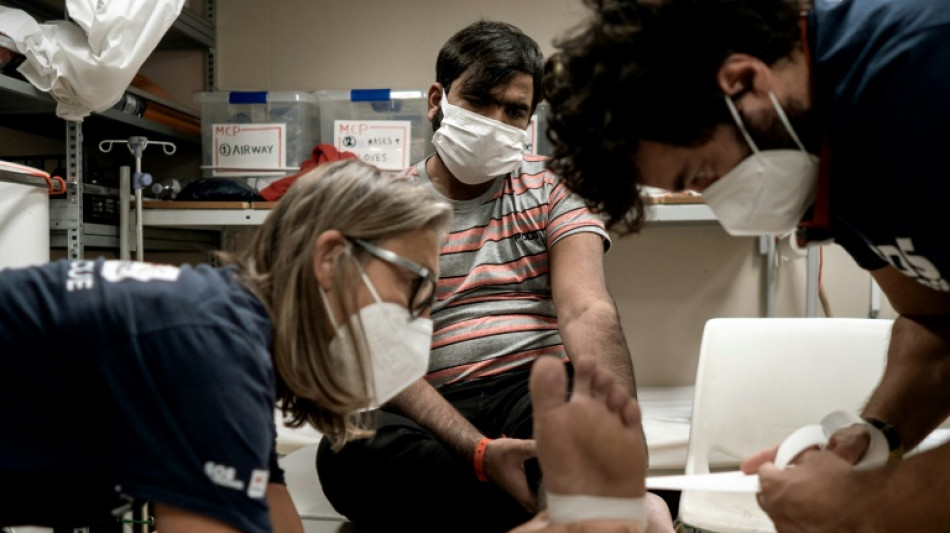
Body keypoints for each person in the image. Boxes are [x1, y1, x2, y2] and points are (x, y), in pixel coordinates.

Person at [543, 0, 950, 529]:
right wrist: (874, 436)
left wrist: (862, 504)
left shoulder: (922, 80)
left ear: (745, 82)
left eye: (704, 173)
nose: (725, 208)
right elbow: (934, 323)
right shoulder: (815, 141)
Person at [317, 20, 671, 533]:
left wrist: (623, 434)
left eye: (514, 110)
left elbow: (585, 309)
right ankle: (568, 514)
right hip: (429, 406)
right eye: (481, 101)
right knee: (348, 454)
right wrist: (479, 452)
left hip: (530, 390)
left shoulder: (554, 186)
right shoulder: (385, 205)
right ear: (438, 98)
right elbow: (384, 354)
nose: (496, 121)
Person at [0, 160, 452, 533]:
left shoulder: (236, 333)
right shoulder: (213, 346)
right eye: (415, 286)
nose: (421, 319)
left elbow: (272, 515)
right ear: (330, 259)